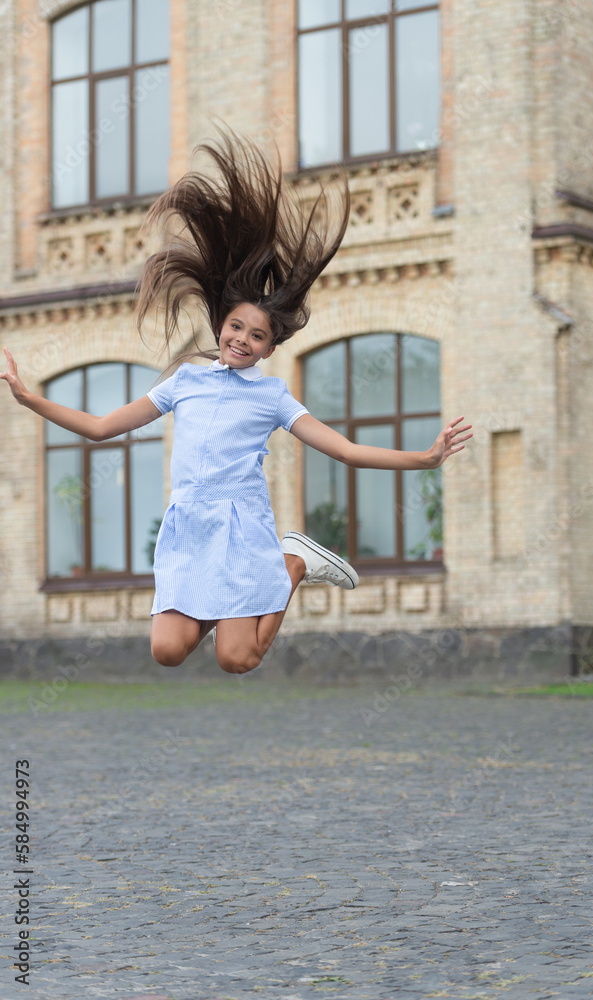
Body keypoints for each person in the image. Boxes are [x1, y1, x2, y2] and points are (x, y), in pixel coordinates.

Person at [1, 130, 472, 676]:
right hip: (188, 527)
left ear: (271, 346)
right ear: (221, 325)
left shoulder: (272, 396)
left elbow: (342, 450)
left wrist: (424, 459)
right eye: (236, 326)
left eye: (257, 335)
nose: (242, 339)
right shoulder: (184, 382)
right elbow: (104, 427)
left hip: (241, 526)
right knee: (167, 650)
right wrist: (29, 399)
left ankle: (292, 563)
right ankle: (248, 592)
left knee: (237, 657)